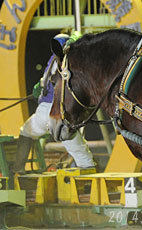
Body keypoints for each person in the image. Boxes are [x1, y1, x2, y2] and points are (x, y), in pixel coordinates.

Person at [11, 33, 95, 175]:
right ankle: (89, 187)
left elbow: (44, 82)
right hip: (59, 114)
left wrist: (39, 88)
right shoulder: (70, 61)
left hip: (43, 112)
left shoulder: (52, 59)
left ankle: (18, 170)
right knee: (82, 156)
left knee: (26, 132)